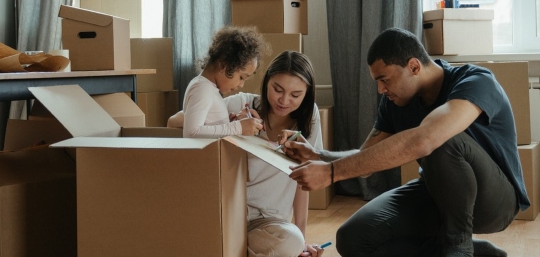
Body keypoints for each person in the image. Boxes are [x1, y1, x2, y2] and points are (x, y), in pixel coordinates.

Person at [285, 28, 529, 257]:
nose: (381, 89)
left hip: (495, 202)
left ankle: (460, 248)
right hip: (436, 193)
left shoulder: (476, 81)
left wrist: (331, 173)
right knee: (352, 238)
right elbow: (366, 159)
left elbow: (427, 139)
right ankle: (472, 251)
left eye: (385, 79)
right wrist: (319, 156)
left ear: (413, 66)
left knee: (440, 138)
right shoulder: (395, 101)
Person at [169, 50, 327, 257]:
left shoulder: (309, 119)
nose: (284, 100)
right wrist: (231, 124)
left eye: (296, 95)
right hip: (229, 214)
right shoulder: (241, 104)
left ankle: (231, 248)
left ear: (306, 94)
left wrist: (303, 240)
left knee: (292, 242)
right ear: (266, 82)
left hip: (269, 223)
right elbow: (174, 122)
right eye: (277, 89)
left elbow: (303, 181)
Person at [181, 26, 266, 138]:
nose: (241, 85)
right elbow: (191, 133)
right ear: (223, 65)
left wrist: (230, 123)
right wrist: (238, 127)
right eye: (241, 77)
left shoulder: (208, 88)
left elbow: (209, 129)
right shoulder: (202, 88)